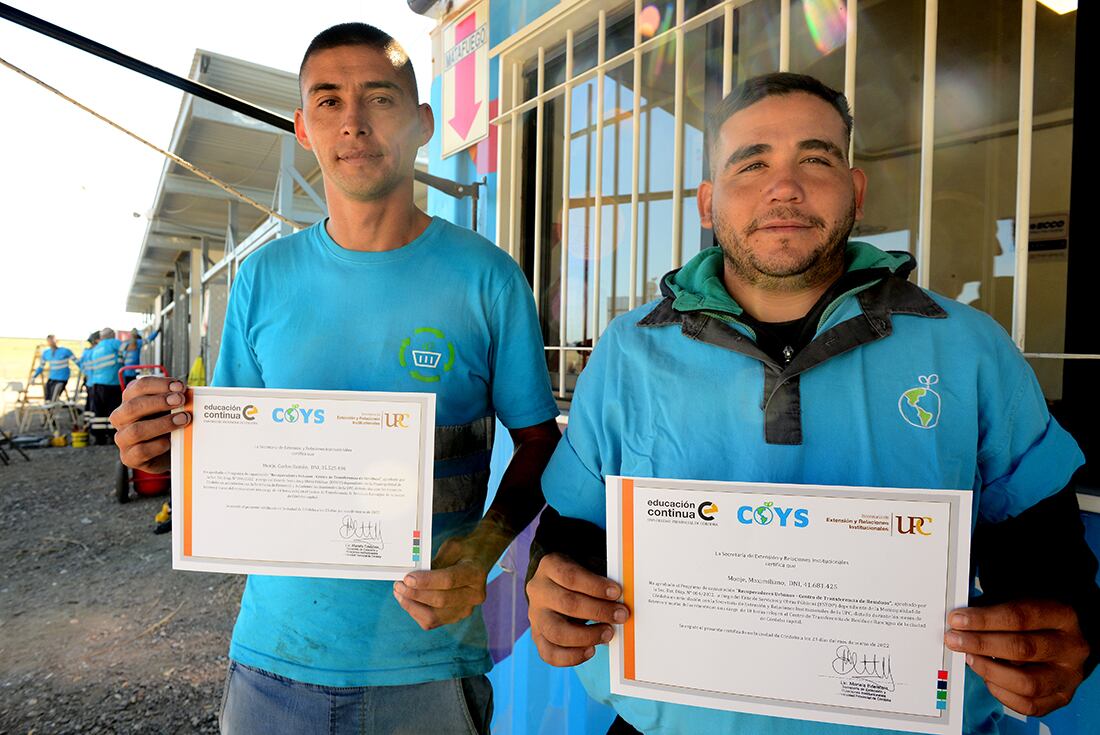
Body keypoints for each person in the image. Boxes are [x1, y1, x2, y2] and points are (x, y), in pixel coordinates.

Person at [526, 73, 1098, 735]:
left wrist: (1060, 628)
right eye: (752, 163)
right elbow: (573, 529)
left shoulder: (967, 348)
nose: (784, 186)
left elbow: (1043, 547)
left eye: (815, 158)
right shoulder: (629, 350)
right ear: (708, 203)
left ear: (855, 191)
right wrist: (553, 585)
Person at [109, 23, 560, 735]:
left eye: (379, 98)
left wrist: (482, 548)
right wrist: (156, 443)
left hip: (431, 662)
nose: (352, 121)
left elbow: (539, 438)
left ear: (422, 125)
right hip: (275, 658)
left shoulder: (489, 278)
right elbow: (222, 446)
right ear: (302, 128)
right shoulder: (262, 279)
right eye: (327, 101)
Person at [84, 327, 124, 444]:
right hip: (112, 383)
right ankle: (113, 436)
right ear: (112, 335)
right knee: (113, 409)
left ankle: (99, 438)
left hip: (97, 384)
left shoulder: (95, 349)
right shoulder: (112, 343)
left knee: (99, 411)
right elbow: (129, 347)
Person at [32, 334, 76, 402]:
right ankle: (49, 411)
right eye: (49, 340)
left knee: (54, 396)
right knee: (47, 397)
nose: (51, 342)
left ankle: (54, 408)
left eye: (53, 340)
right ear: (47, 342)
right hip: (52, 378)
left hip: (62, 378)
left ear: (56, 341)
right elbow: (41, 366)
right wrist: (34, 376)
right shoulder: (46, 353)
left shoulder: (65, 351)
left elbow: (77, 362)